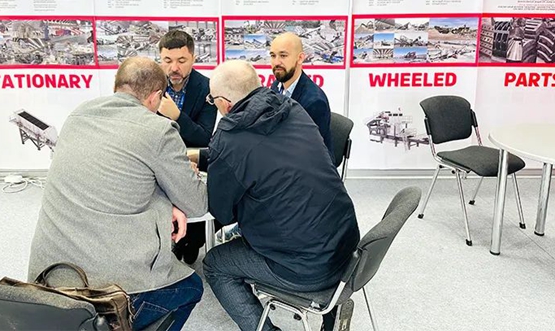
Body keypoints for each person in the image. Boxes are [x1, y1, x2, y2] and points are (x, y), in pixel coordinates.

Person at [28, 57, 208, 331]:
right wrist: (170, 197)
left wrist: (162, 199)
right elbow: (196, 203)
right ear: (156, 97)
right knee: (190, 287)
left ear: (117, 86)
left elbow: (110, 176)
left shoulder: (78, 115)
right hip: (104, 296)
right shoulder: (158, 130)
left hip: (46, 279)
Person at [197, 60, 360, 331]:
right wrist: (205, 157)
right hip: (346, 244)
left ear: (224, 104)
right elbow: (261, 157)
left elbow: (222, 213)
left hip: (305, 266)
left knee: (215, 264)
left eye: (211, 100)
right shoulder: (291, 108)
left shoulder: (230, 136)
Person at [157, 30, 217, 264]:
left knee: (197, 224)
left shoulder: (207, 87)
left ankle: (192, 242)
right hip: (159, 161)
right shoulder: (151, 85)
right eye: (167, 61)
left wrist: (177, 116)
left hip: (194, 162)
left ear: (193, 58)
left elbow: (203, 137)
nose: (174, 68)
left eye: (181, 61)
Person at [269, 32, 335, 163]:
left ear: (300, 58)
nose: (276, 62)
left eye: (283, 55)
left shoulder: (314, 101)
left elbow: (312, 154)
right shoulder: (276, 85)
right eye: (273, 55)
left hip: (307, 166)